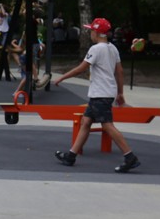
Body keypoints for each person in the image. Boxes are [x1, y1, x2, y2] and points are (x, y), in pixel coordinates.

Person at [54, 17, 140, 173]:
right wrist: (120, 93)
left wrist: (62, 77)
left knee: (107, 125)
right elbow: (119, 71)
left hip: (100, 93)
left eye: (91, 30)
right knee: (86, 122)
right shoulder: (112, 48)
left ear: (97, 32)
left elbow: (81, 68)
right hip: (105, 93)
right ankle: (71, 156)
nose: (90, 33)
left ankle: (130, 157)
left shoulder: (96, 49)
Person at [0, 4, 12, 81]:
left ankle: (2, 45)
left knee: (4, 50)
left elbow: (4, 13)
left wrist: (1, 6)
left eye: (0, 10)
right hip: (0, 32)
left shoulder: (6, 15)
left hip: (6, 32)